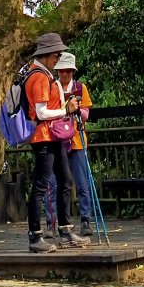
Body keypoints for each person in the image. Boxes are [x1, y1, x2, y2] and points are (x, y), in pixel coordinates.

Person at [23, 32, 91, 253]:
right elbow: (41, 112)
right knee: (41, 185)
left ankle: (65, 230)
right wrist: (66, 110)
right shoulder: (39, 77)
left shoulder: (42, 74)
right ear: (46, 54)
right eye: (56, 55)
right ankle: (35, 236)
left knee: (64, 180)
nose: (58, 59)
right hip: (43, 136)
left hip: (52, 136)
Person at [46, 52, 94, 237]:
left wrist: (77, 108)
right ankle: (51, 223)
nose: (65, 74)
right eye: (61, 71)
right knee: (53, 184)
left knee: (82, 182)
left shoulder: (80, 88)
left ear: (73, 71)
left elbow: (86, 114)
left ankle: (85, 220)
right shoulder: (51, 87)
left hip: (76, 140)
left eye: (68, 71)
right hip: (57, 139)